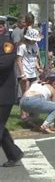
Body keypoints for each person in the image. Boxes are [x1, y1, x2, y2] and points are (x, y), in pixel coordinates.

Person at [0, 16, 24, 167]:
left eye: (1, 25)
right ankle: (14, 153)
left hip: (4, 94)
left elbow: (5, 63)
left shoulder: (7, 44)